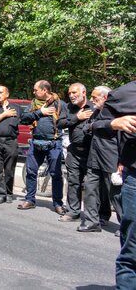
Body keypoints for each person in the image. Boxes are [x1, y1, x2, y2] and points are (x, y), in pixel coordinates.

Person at [86, 81, 136, 287]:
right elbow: (96, 125)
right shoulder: (125, 93)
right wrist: (113, 124)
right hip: (135, 177)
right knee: (133, 248)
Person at [18, 80, 68, 214]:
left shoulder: (60, 104)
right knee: (31, 171)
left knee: (56, 174)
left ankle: (58, 203)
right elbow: (23, 118)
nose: (34, 92)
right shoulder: (34, 104)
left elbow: (65, 121)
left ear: (44, 90)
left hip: (54, 143)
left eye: (35, 90)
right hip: (36, 143)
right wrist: (40, 112)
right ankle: (30, 200)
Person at [79, 86, 121, 233]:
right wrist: (93, 126)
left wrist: (121, 162)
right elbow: (86, 128)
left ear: (105, 97)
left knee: (114, 192)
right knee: (90, 189)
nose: (91, 100)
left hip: (111, 157)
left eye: (94, 97)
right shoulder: (96, 111)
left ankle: (126, 225)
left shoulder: (117, 111)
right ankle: (92, 222)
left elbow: (121, 134)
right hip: (94, 156)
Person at [60, 83, 94, 222]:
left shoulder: (94, 107)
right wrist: (76, 118)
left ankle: (96, 215)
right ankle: (73, 212)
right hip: (74, 151)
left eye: (74, 92)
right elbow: (59, 123)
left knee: (92, 185)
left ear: (84, 93)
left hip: (92, 152)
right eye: (69, 93)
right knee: (73, 182)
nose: (72, 96)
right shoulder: (68, 107)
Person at [0, 85, 22, 204]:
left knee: (9, 169)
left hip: (11, 141)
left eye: (0, 92)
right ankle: (1, 194)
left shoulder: (16, 108)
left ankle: (9, 192)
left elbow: (19, 121)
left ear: (7, 94)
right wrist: (4, 114)